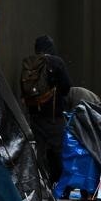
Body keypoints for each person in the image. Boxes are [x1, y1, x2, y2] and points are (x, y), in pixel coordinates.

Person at [20, 35, 72, 184]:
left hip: (35, 115)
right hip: (53, 116)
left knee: (39, 151)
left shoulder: (29, 63)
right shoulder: (56, 62)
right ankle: (56, 182)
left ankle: (41, 183)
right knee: (58, 151)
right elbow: (66, 86)